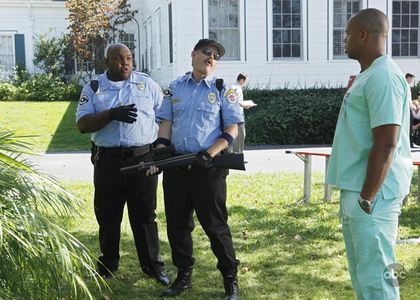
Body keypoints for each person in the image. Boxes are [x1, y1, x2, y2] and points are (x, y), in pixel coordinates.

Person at [326, 9, 413, 299]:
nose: (344, 40)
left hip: (373, 196)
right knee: (364, 274)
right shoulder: (369, 74)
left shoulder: (384, 77)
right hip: (357, 191)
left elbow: (387, 142)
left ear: (364, 35)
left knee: (378, 277)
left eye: (348, 34)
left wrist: (367, 197)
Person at [148, 38, 243, 299]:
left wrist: (211, 152)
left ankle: (230, 279)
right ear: (193, 55)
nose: (211, 57)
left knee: (215, 226)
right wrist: (160, 151)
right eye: (207, 52)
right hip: (177, 167)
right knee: (178, 226)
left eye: (216, 56)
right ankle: (183, 277)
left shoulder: (225, 89)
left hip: (208, 168)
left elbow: (232, 127)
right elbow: (166, 123)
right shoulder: (175, 87)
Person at [75, 43, 170, 285]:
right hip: (108, 162)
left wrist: (160, 151)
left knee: (145, 216)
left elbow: (166, 117)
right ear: (106, 62)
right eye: (118, 58)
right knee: (108, 216)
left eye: (128, 57)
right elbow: (82, 125)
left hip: (143, 160)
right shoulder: (94, 88)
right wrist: (110, 114)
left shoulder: (147, 84)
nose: (125, 62)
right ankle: (108, 265)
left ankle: (153, 266)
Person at [231, 73, 253, 153]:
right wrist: (244, 105)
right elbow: (233, 101)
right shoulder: (235, 88)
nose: (245, 83)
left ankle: (238, 154)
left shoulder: (235, 87)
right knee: (240, 135)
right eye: (245, 81)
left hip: (238, 114)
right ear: (242, 80)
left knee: (240, 135)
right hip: (237, 115)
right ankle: (237, 154)